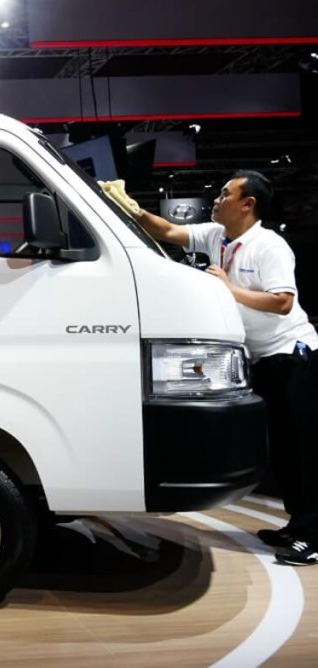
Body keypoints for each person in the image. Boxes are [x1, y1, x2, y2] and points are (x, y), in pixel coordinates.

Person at [126, 170, 318, 566]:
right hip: (261, 357)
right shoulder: (216, 235)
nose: (217, 198)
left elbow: (282, 302)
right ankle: (297, 525)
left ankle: (313, 536)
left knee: (302, 449)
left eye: (226, 194)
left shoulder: (269, 246)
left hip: (291, 354)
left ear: (248, 204)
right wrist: (129, 207)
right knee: (282, 451)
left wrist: (228, 288)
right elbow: (167, 230)